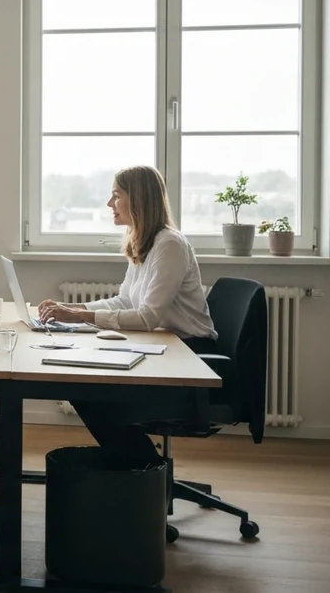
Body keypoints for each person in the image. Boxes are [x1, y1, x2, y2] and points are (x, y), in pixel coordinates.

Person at [37, 165, 218, 469]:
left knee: (89, 392)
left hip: (189, 355)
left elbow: (147, 317)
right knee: (86, 389)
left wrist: (78, 316)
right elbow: (124, 300)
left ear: (138, 200)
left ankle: (144, 471)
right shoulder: (144, 242)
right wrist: (75, 311)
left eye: (116, 196)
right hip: (165, 348)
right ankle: (138, 470)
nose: (110, 204)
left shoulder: (169, 245)